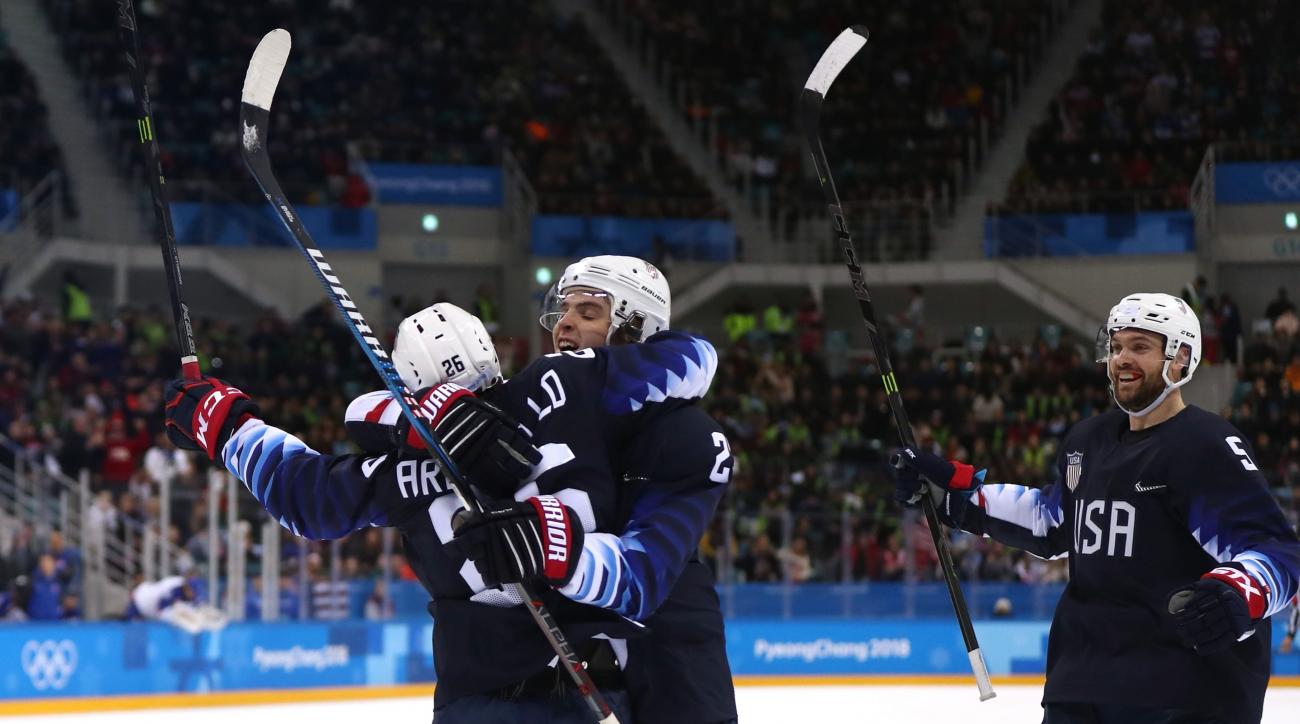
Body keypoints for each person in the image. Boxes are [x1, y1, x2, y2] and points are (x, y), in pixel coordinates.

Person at [164, 259, 731, 723]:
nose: (562, 326)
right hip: (587, 692)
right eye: (562, 311)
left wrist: (227, 427)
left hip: (652, 680)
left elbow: (308, 495)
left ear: (635, 325)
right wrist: (419, 417)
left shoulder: (674, 433)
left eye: (587, 311)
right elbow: (687, 358)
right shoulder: (556, 390)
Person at [894, 292, 1300, 724]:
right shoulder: (1087, 442)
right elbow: (1051, 522)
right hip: (1084, 680)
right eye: (1117, 345)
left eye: (1140, 347)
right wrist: (952, 497)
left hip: (1182, 688)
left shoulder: (1205, 446)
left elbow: (1279, 552)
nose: (1121, 358)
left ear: (1180, 358)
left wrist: (1240, 592)